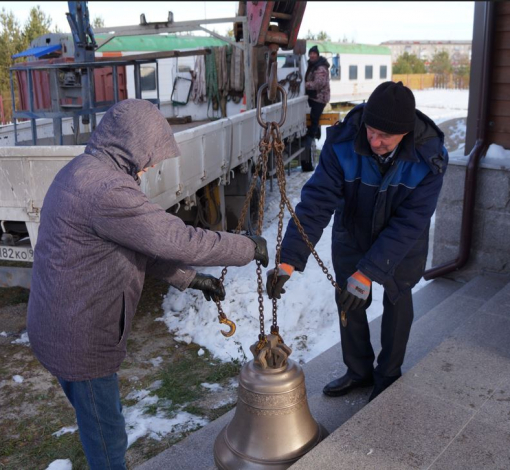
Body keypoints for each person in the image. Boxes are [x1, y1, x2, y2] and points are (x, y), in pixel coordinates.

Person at [27, 99, 269, 469]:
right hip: (81, 338)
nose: (154, 164)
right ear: (133, 143)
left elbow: (139, 245)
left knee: (99, 424)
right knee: (108, 441)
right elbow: (179, 240)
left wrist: (190, 279)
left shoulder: (83, 170)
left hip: (59, 325)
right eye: (153, 153)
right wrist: (248, 247)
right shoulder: (107, 191)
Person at [266, 81, 448, 402]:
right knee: (348, 302)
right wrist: (288, 259)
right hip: (352, 231)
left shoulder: (428, 158)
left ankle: (388, 374)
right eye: (371, 131)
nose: (374, 141)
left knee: (397, 301)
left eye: (385, 137)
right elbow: (317, 202)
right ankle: (358, 370)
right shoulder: (344, 142)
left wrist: (369, 272)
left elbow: (410, 223)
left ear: (404, 133)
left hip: (400, 246)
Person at [303, 45, 331, 171]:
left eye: (314, 54)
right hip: (312, 96)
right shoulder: (311, 65)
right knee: (310, 116)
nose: (312, 56)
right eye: (310, 54)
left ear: (317, 55)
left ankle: (310, 136)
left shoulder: (321, 67)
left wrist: (305, 85)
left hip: (319, 98)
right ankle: (311, 133)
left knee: (314, 117)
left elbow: (319, 83)